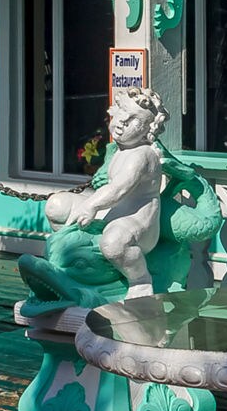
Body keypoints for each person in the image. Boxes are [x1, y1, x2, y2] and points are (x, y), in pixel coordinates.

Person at [45, 86, 168, 298]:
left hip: (136, 221)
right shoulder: (121, 149)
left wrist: (90, 205)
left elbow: (119, 188)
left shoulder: (142, 155)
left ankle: (139, 279)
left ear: (149, 129)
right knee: (56, 206)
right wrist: (89, 205)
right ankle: (73, 260)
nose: (122, 122)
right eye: (121, 112)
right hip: (111, 210)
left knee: (113, 244)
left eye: (134, 120)